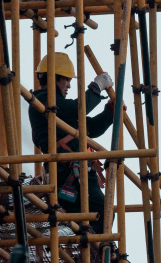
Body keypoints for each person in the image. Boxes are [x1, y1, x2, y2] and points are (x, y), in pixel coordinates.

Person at [28, 51, 115, 241]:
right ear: (54, 79)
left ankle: (94, 254)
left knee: (97, 214)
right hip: (70, 174)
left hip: (75, 174)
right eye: (66, 80)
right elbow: (78, 107)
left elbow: (88, 128)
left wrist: (109, 113)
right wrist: (96, 87)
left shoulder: (60, 110)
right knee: (102, 211)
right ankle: (96, 254)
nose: (69, 84)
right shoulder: (43, 101)